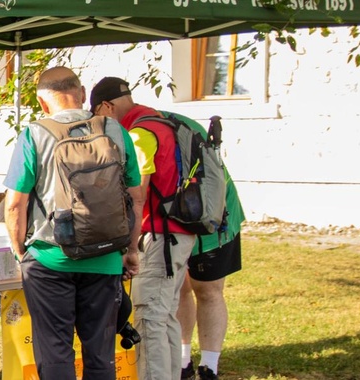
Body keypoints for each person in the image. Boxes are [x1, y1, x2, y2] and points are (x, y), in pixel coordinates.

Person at [2, 67, 141, 380]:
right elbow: (137, 198)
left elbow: (15, 204)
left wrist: (19, 251)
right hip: (105, 256)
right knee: (101, 353)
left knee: (55, 350)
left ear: (42, 102)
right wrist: (131, 249)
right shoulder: (116, 131)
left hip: (50, 256)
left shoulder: (34, 135)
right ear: (82, 93)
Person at [90, 77, 198, 380]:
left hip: (158, 237)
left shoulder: (140, 134)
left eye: (100, 115)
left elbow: (136, 193)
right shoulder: (162, 122)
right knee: (165, 317)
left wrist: (129, 244)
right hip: (177, 234)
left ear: (107, 106)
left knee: (149, 318)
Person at [178, 157, 246, 380]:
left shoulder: (154, 130)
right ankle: (182, 361)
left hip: (212, 212)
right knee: (178, 287)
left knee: (208, 290)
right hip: (174, 215)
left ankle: (209, 368)